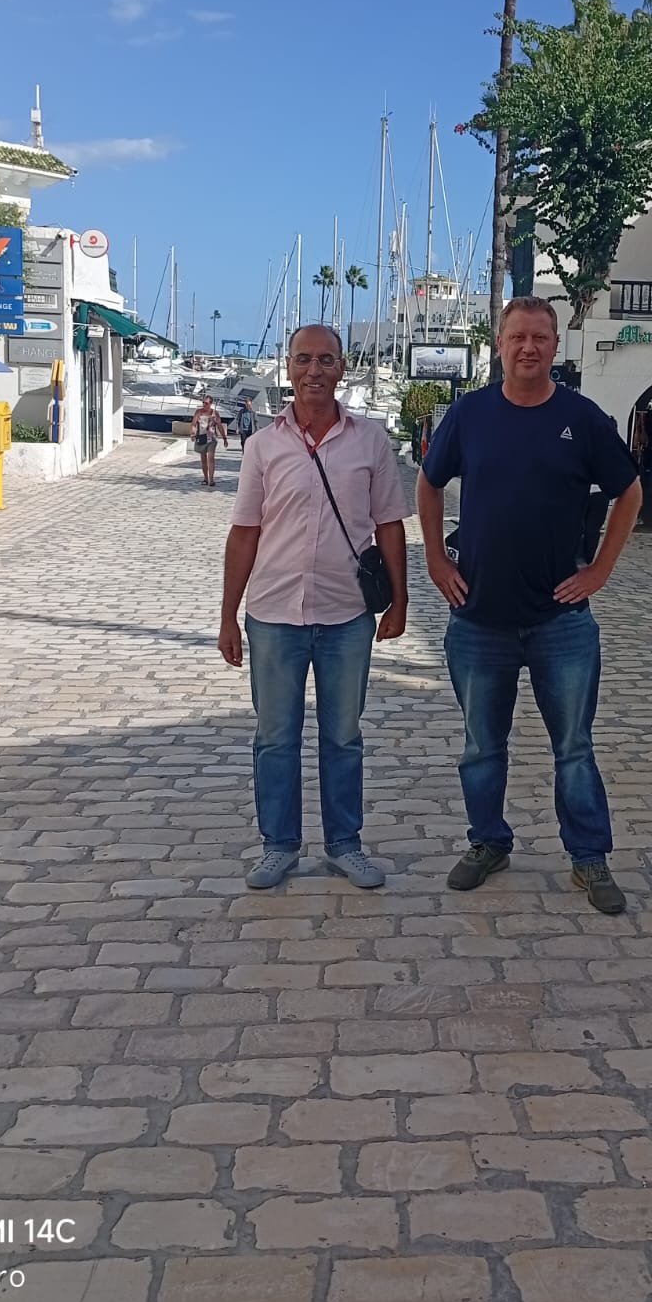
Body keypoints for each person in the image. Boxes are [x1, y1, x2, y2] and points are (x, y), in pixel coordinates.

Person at [417, 296, 643, 916]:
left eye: (540, 338)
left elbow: (630, 493)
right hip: (479, 619)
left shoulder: (583, 418)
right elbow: (428, 483)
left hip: (560, 623)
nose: (529, 348)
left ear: (554, 345)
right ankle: (488, 842)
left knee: (574, 747)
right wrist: (436, 560)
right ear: (500, 342)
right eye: (517, 337)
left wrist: (599, 571)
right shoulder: (469, 415)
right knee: (481, 747)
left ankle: (589, 858)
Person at [218, 325, 408, 892]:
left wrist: (398, 603)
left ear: (342, 369)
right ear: (288, 367)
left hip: (347, 613)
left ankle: (344, 845)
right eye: (304, 360)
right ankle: (279, 846)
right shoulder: (263, 445)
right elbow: (245, 533)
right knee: (275, 737)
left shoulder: (370, 441)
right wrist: (228, 615)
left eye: (326, 360)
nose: (315, 371)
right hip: (274, 614)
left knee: (343, 736)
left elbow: (390, 525)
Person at [191, 395, 227, 487]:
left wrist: (224, 438)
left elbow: (219, 426)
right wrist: (193, 434)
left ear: (211, 404)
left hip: (212, 438)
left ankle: (211, 479)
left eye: (206, 403)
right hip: (201, 437)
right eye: (203, 402)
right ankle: (205, 478)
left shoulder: (215, 413)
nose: (204, 405)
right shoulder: (198, 412)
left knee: (210, 458)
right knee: (203, 459)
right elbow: (194, 424)